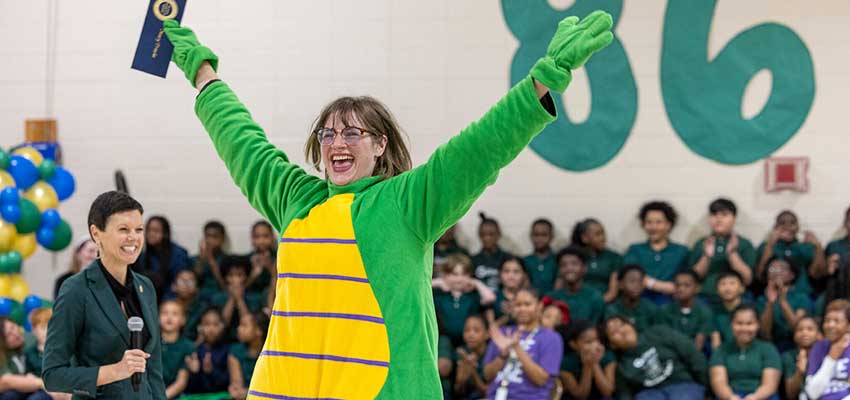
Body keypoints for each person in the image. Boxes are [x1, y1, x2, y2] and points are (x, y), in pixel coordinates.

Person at [163, 10, 613, 398]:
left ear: (380, 145)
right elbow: (241, 141)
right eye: (328, 134)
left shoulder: (407, 202)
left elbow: (479, 150)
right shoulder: (295, 198)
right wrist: (202, 72)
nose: (337, 143)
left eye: (351, 133)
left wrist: (541, 82)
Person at [43, 191, 166, 399]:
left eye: (138, 229)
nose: (133, 237)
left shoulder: (146, 287)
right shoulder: (76, 290)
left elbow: (154, 370)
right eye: (123, 229)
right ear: (96, 233)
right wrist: (113, 372)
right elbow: (52, 376)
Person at [483, 289, 564, 400]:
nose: (522, 309)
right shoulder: (502, 333)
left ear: (539, 306)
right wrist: (503, 355)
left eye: (527, 304)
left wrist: (516, 347)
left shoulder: (551, 338)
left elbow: (540, 380)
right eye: (517, 305)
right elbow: (487, 376)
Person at [604, 316, 707, 399]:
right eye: (614, 332)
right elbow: (624, 395)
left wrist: (708, 389)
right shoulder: (622, 367)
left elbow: (693, 356)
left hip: (682, 384)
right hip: (649, 394)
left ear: (631, 325)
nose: (622, 331)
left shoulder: (658, 333)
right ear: (612, 345)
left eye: (622, 325)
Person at [688, 198, 756, 303]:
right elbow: (692, 279)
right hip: (705, 297)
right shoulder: (701, 243)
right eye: (714, 215)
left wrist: (732, 254)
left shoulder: (744, 244)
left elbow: (748, 279)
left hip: (737, 298)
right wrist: (706, 256)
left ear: (734, 219)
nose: (719, 219)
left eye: (724, 215)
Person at [708, 305, 781, 400]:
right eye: (739, 323)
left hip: (762, 396)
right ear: (731, 325)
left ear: (757, 325)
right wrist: (731, 397)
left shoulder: (768, 349)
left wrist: (754, 397)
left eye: (749, 323)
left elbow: (770, 384)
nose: (744, 328)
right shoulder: (721, 350)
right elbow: (719, 382)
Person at [624, 201, 689, 305]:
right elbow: (632, 277)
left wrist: (674, 288)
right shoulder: (635, 250)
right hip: (640, 301)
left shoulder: (681, 251)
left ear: (669, 225)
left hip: (672, 303)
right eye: (649, 222)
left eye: (658, 222)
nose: (653, 227)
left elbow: (686, 282)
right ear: (643, 225)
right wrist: (666, 287)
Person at [803, 299, 850, 399]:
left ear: (848, 326)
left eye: (836, 321)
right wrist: (831, 359)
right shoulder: (818, 347)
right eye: (827, 320)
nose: (830, 325)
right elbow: (811, 393)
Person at [559, 319, 616, 400]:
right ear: (573, 344)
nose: (595, 345)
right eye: (588, 342)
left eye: (597, 340)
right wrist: (587, 366)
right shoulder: (565, 363)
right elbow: (580, 396)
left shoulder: (608, 356)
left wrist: (595, 363)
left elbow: (607, 392)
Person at [656, 270, 713, 351]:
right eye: (678, 285)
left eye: (687, 285)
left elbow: (698, 345)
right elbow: (664, 340)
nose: (681, 289)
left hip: (695, 357)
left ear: (697, 288)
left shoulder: (704, 312)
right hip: (671, 355)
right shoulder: (665, 310)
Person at [547, 246, 605, 323]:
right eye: (563, 265)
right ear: (559, 270)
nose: (569, 268)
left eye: (574, 264)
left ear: (584, 268)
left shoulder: (595, 297)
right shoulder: (551, 298)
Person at [571, 218, 623, 303]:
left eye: (603, 233)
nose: (603, 238)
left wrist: (596, 305)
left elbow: (612, 293)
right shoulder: (575, 257)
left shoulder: (614, 257)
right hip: (578, 302)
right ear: (585, 238)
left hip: (605, 303)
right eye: (598, 234)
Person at [159, 300, 194, 399]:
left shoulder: (188, 346)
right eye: (165, 313)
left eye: (175, 314)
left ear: (183, 319)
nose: (169, 318)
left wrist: (161, 397)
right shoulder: (151, 343)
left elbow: (181, 382)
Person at [472, 213, 514, 292]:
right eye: (483, 234)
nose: (487, 238)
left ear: (498, 235)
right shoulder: (473, 260)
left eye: (491, 234)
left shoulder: (508, 258)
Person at [783, 316, 820, 399]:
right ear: (794, 335)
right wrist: (800, 372)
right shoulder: (789, 356)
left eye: (810, 329)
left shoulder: (826, 353)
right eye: (800, 330)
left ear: (818, 334)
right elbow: (790, 395)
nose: (804, 333)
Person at [523, 218, 558, 294]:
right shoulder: (525, 261)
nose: (539, 239)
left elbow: (559, 288)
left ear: (552, 237)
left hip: (553, 302)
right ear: (531, 236)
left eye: (544, 235)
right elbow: (525, 287)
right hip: (530, 303)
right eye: (536, 235)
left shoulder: (558, 260)